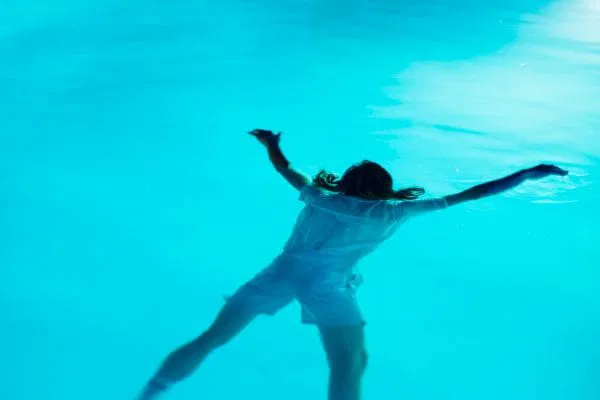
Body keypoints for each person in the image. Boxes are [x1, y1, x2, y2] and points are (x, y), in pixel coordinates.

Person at [136, 129, 568, 400]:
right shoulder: (393, 213)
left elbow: (286, 169)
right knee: (349, 363)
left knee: (211, 338)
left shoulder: (318, 196)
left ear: (343, 184)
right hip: (328, 287)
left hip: (280, 273)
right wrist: (527, 173)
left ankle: (151, 393)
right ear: (385, 189)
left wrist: (272, 145)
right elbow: (473, 193)